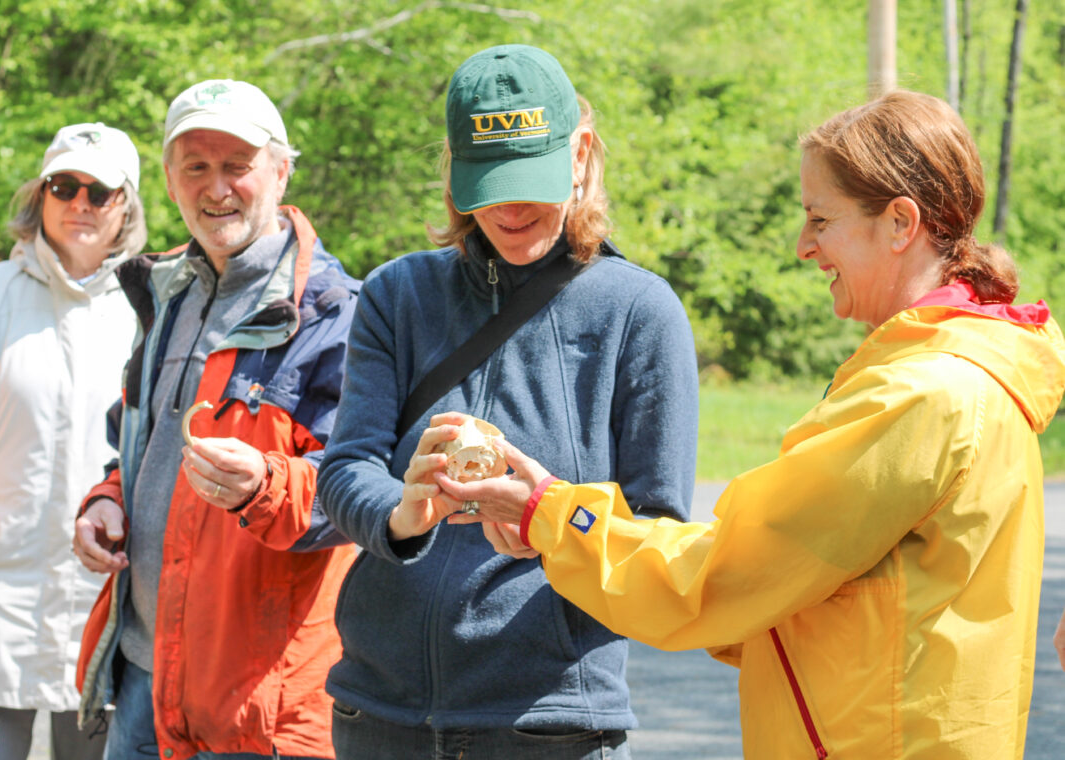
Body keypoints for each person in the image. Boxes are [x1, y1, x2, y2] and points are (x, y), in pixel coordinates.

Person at [442, 89, 1065, 760]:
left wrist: (552, 515)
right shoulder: (961, 374)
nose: (804, 246)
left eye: (820, 220)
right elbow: (808, 595)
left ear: (899, 223)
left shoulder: (920, 396)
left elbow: (727, 573)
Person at [316, 44, 698, 760]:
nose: (510, 207)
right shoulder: (397, 295)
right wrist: (404, 514)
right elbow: (343, 468)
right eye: (488, 183)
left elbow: (660, 533)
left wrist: (550, 518)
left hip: (550, 723)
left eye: (531, 178)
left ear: (581, 153)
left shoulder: (639, 312)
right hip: (379, 715)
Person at [70, 79, 359, 760]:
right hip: (143, 675)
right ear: (170, 181)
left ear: (282, 171)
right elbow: (139, 451)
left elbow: (357, 498)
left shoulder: (333, 311)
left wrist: (266, 484)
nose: (217, 187)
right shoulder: (166, 291)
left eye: (238, 165)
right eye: (196, 166)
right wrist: (106, 500)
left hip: (258, 707)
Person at [0, 122, 146, 759]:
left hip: (102, 594)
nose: (80, 203)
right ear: (40, 196)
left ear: (125, 205)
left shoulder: (148, 305)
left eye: (99, 192)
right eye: (64, 186)